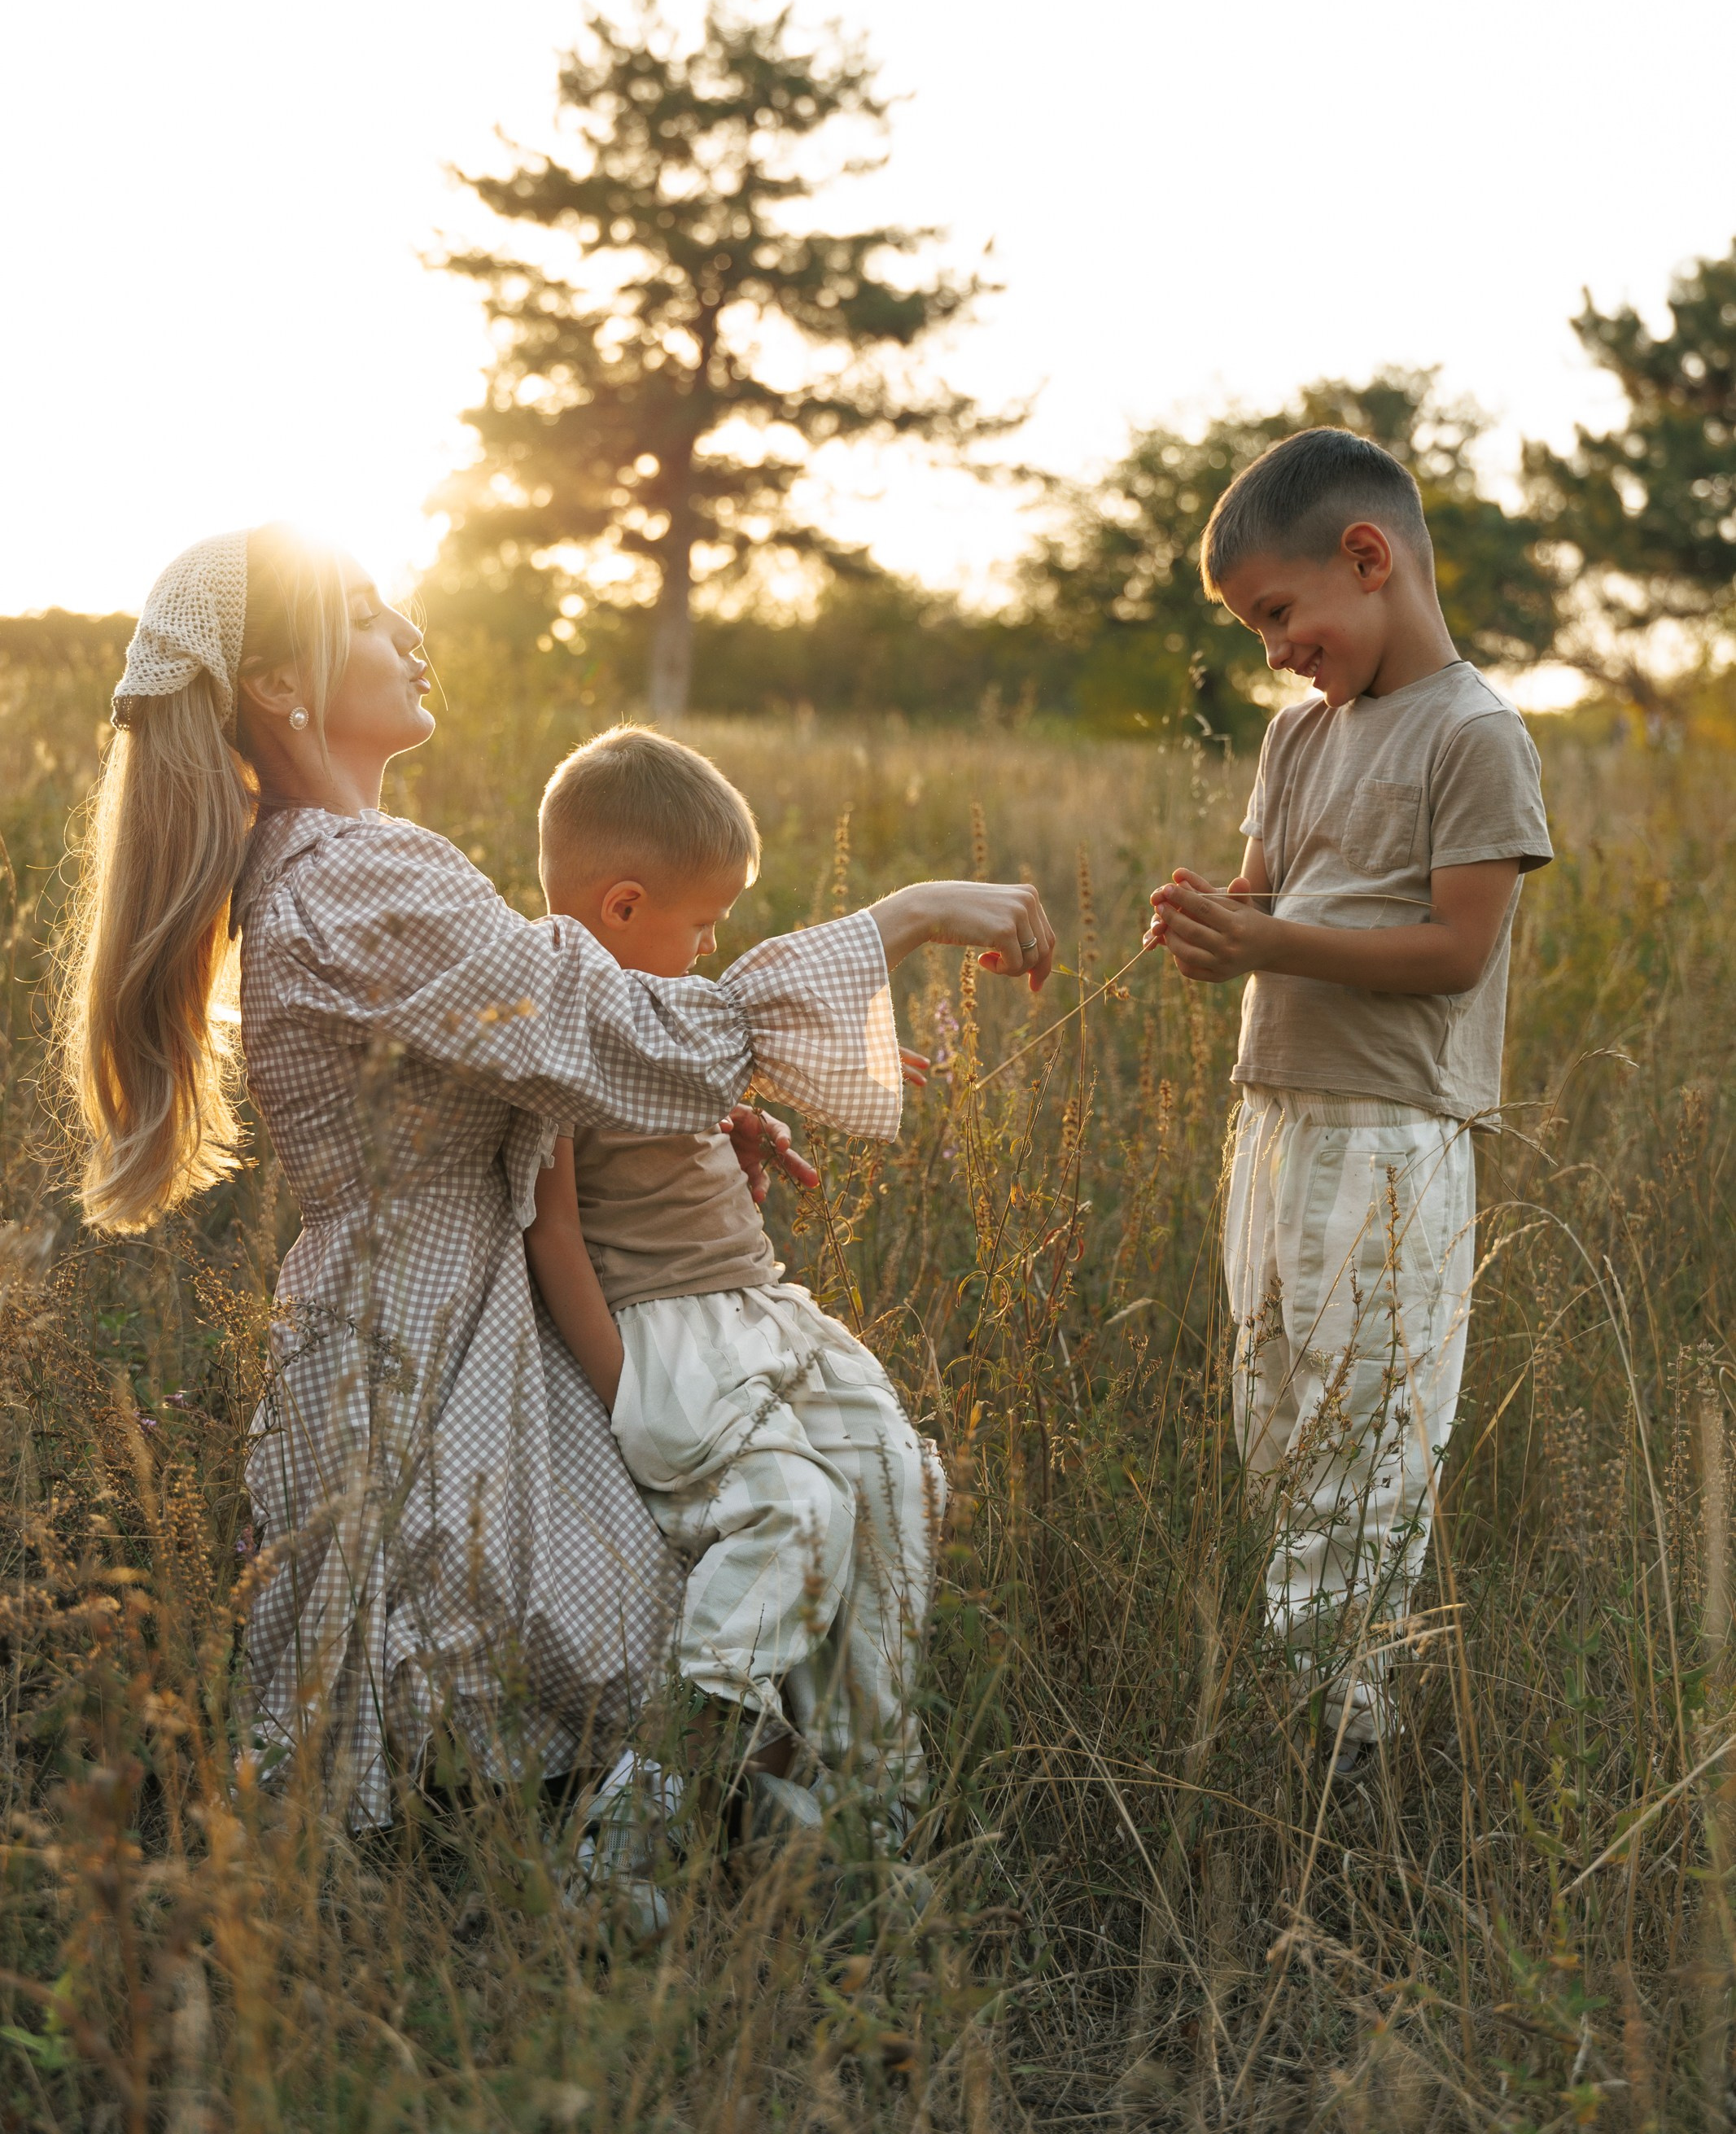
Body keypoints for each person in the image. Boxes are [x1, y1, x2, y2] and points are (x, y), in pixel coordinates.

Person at [56, 525, 1057, 1829]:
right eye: (366, 615)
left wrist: (677, 1132)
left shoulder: (325, 867)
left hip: (426, 1310)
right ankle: (647, 1859)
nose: (409, 631)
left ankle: (701, 1831)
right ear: (282, 688)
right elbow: (625, 1033)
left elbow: (530, 1072)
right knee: (602, 1639)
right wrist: (902, 915)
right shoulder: (363, 876)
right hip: (436, 1337)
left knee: (685, 1592)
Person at [1147, 430, 1551, 1772]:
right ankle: (1300, 1709)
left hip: (1389, 1139)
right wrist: (1218, 916)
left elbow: (1452, 953)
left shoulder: (1475, 734)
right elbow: (1271, 892)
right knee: (1275, 1419)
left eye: (1279, 613)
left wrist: (1265, 942)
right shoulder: (1294, 738)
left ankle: (1342, 1745)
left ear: (1365, 559)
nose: (1274, 649)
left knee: (1366, 1435)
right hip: (1271, 1124)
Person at [522, 725, 944, 1845]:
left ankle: (856, 1784)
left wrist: (733, 1110)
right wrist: (619, 1391)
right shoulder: (559, 1027)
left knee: (894, 1474)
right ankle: (651, 1812)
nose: (712, 948)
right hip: (669, 1337)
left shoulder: (657, 1020)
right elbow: (555, 1230)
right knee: (794, 1514)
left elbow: (673, 1081)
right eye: (701, 925)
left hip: (762, 1313)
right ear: (621, 907)